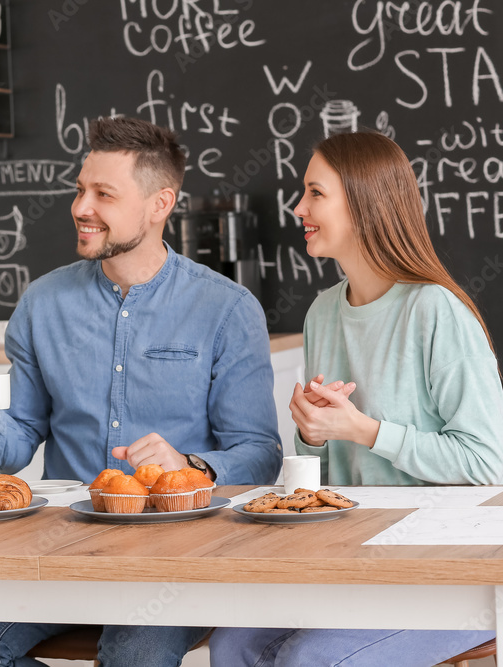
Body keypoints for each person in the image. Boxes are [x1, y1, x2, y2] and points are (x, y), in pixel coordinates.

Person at [0, 117, 282, 667]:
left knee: (134, 652)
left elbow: (260, 453)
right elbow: (18, 442)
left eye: (104, 194)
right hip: (61, 544)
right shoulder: (42, 304)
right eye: (80, 190)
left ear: (159, 203)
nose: (81, 207)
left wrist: (188, 464)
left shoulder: (227, 309)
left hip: (177, 552)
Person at [209, 131, 503, 666]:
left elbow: (487, 463)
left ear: (365, 204)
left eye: (315, 193)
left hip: (450, 574)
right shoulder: (323, 312)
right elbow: (327, 471)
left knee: (309, 659)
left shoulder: (434, 311)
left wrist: (363, 430)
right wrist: (313, 434)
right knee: (232, 643)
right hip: (355, 558)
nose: (298, 207)